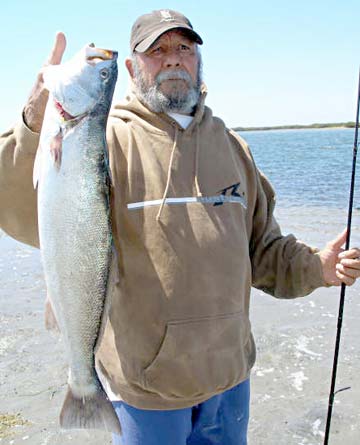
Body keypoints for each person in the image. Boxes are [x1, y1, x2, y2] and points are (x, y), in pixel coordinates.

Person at [1, 9, 359, 445]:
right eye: (157, 50)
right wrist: (34, 121)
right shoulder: (100, 141)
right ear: (132, 68)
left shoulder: (232, 146)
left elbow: (262, 250)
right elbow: (20, 209)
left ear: (198, 61)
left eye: (183, 48)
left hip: (228, 382)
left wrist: (316, 269)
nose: (172, 59)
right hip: (143, 393)